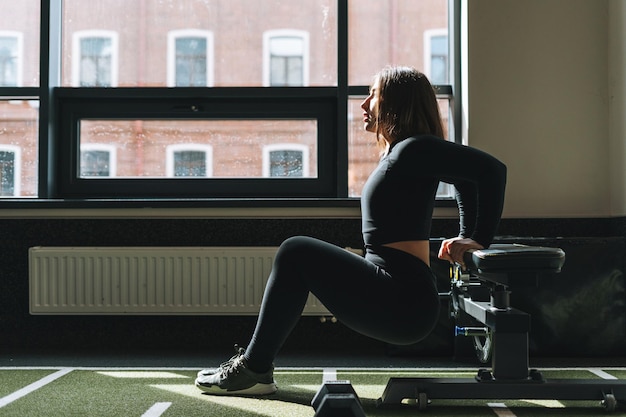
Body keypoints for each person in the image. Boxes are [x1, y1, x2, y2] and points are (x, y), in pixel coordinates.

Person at [195, 66, 507, 395]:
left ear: (395, 102)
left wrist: (475, 238)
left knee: (295, 250)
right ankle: (256, 368)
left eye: (374, 94)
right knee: (298, 254)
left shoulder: (415, 148)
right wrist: (465, 235)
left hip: (403, 300)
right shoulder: (405, 152)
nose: (364, 103)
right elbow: (464, 180)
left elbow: (490, 171)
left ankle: (255, 369)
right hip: (396, 291)